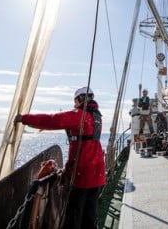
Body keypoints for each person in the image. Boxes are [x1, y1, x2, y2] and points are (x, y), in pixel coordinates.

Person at [15, 86, 106, 229]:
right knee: (89, 215)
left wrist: (24, 118)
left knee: (73, 216)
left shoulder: (80, 115)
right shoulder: (97, 117)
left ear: (80, 99)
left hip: (83, 176)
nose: (74, 104)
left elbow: (53, 120)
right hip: (98, 174)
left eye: (75, 101)